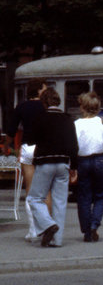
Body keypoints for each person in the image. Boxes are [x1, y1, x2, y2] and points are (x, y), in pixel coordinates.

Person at [24, 88, 78, 248]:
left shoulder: (40, 118)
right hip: (63, 164)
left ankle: (47, 225)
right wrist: (74, 167)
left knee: (35, 198)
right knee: (60, 202)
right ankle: (57, 240)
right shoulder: (68, 119)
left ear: (44, 102)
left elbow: (30, 140)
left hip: (45, 162)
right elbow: (74, 146)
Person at [6, 79, 52, 242]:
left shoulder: (22, 107)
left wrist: (7, 146)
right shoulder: (47, 107)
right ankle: (47, 228)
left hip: (27, 148)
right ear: (39, 91)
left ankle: (33, 230)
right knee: (46, 191)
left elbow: (11, 130)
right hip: (45, 148)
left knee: (31, 191)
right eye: (44, 89)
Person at [74, 91, 103, 242]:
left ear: (83, 107)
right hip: (100, 160)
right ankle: (94, 226)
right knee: (100, 195)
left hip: (83, 161)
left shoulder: (77, 124)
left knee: (84, 196)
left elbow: (74, 146)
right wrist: (101, 145)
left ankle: (86, 230)